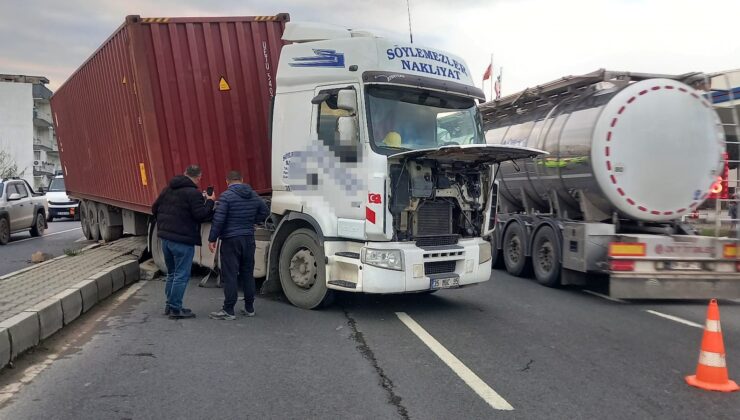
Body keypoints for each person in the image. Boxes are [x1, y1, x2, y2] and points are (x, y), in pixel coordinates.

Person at [152, 165, 215, 319]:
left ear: (185, 174)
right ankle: (175, 308)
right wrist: (210, 201)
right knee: (181, 275)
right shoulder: (193, 193)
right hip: (182, 241)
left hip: (165, 239)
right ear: (198, 177)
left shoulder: (167, 189)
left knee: (172, 273)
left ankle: (170, 305)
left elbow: (154, 208)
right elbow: (201, 215)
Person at [208, 170, 269, 320]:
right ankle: (249, 308)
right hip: (248, 238)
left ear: (227, 181)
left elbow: (219, 220)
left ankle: (228, 310)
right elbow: (265, 211)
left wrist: (212, 238)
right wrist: (252, 221)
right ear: (242, 179)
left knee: (230, 275)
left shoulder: (226, 196)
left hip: (231, 240)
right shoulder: (254, 195)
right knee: (248, 273)